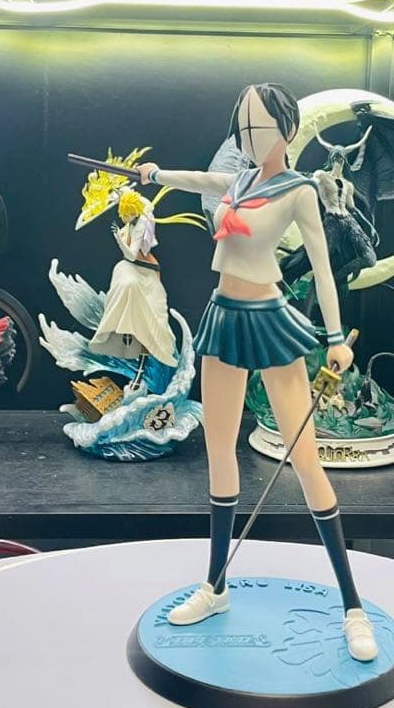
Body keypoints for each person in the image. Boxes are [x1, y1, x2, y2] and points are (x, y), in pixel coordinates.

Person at [137, 83, 377, 662]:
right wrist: (156, 174)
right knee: (219, 451)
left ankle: (352, 606)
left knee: (306, 461)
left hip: (268, 320)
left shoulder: (299, 191)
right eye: (242, 130)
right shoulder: (238, 181)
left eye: (260, 129)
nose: (249, 140)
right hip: (224, 314)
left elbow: (323, 268)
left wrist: (336, 337)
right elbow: (200, 179)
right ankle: (216, 586)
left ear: (287, 131)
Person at [89, 188, 178, 387]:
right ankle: (122, 329)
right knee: (123, 282)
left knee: (144, 307)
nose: (124, 218)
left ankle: (141, 358)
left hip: (145, 270)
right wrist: (120, 194)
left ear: (133, 212)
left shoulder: (142, 224)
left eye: (126, 214)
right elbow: (144, 202)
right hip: (129, 267)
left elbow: (130, 254)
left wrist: (118, 239)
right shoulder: (134, 217)